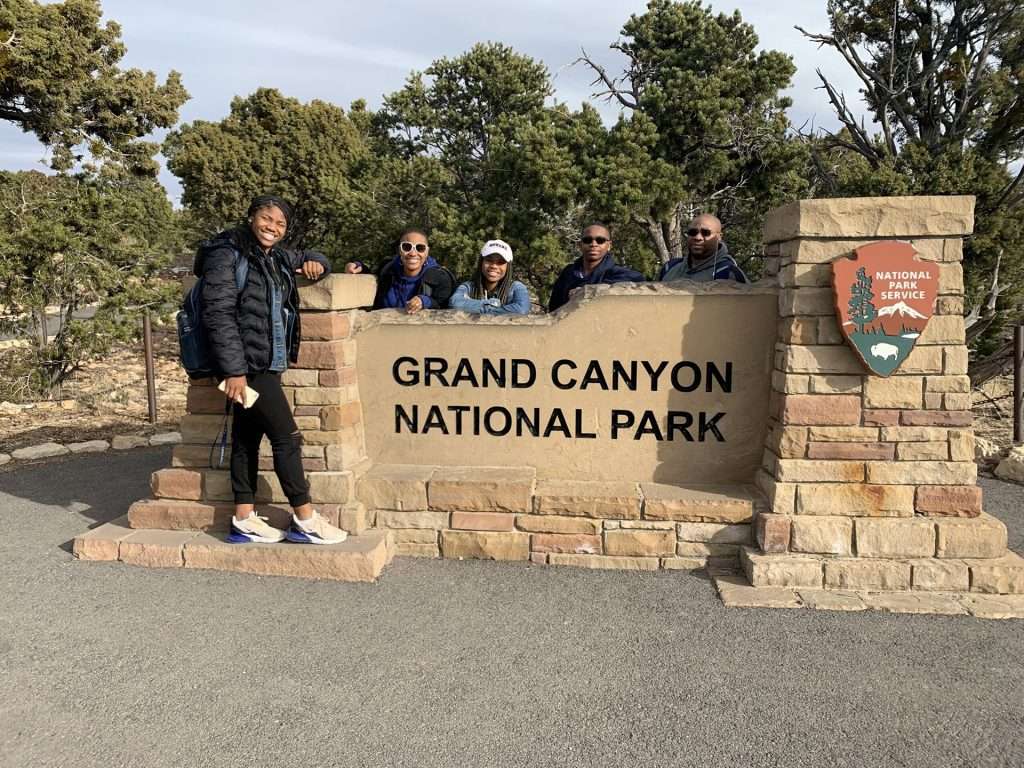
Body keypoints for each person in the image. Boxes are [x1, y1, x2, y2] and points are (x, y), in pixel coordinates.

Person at [198, 193, 348, 546]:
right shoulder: (226, 253)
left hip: (265, 361)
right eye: (267, 219)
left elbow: (311, 257)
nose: (273, 228)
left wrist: (317, 262)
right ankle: (305, 518)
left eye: (280, 224)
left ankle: (244, 518)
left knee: (246, 438)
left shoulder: (274, 255)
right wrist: (234, 371)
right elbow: (218, 314)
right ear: (251, 217)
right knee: (287, 438)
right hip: (246, 367)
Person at [344, 228, 455, 312]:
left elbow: (444, 304)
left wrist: (424, 301)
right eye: (407, 247)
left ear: (427, 252)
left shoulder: (440, 278)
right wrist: (358, 266)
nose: (413, 253)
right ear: (399, 250)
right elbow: (372, 274)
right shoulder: (388, 269)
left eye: (420, 248)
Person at [548, 223, 645, 311]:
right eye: (587, 240)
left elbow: (639, 281)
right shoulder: (568, 273)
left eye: (600, 240)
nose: (593, 244)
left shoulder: (621, 275)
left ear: (609, 245)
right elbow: (554, 308)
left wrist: (586, 292)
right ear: (580, 245)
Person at [450, 239, 531, 315]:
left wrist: (476, 307)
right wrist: (493, 305)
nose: (494, 266)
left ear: (508, 266)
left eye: (500, 262)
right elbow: (455, 303)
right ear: (481, 262)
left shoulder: (516, 287)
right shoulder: (468, 286)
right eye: (489, 260)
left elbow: (522, 309)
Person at [658, 214, 747, 283]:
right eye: (693, 232)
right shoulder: (669, 268)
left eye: (706, 233)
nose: (698, 237)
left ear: (719, 237)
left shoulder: (729, 274)